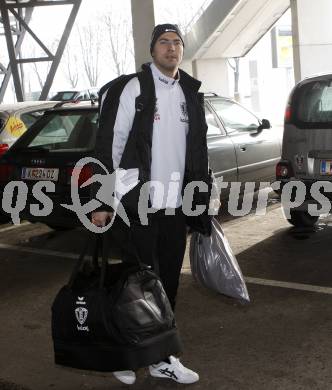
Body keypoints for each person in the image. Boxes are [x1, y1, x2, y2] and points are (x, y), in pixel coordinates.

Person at [91, 23, 211, 385]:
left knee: (167, 282)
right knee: (134, 283)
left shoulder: (190, 92)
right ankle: (122, 353)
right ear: (152, 49)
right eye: (164, 42)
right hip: (137, 201)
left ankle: (161, 356)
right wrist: (102, 198)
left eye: (177, 43)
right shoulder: (135, 88)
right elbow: (110, 143)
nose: (172, 48)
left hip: (175, 205)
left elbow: (198, 152)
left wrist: (201, 198)